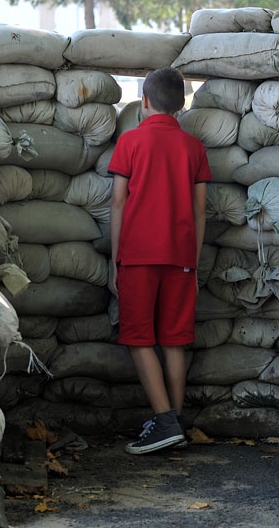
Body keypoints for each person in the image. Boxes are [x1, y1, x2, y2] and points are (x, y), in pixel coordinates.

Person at [107, 68, 211, 455]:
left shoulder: (130, 142)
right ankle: (175, 422)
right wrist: (194, 263)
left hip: (137, 255)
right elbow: (201, 212)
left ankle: (164, 423)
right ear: (181, 104)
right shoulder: (194, 148)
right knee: (174, 341)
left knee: (138, 339)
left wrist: (116, 259)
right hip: (182, 256)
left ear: (145, 101)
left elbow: (118, 201)